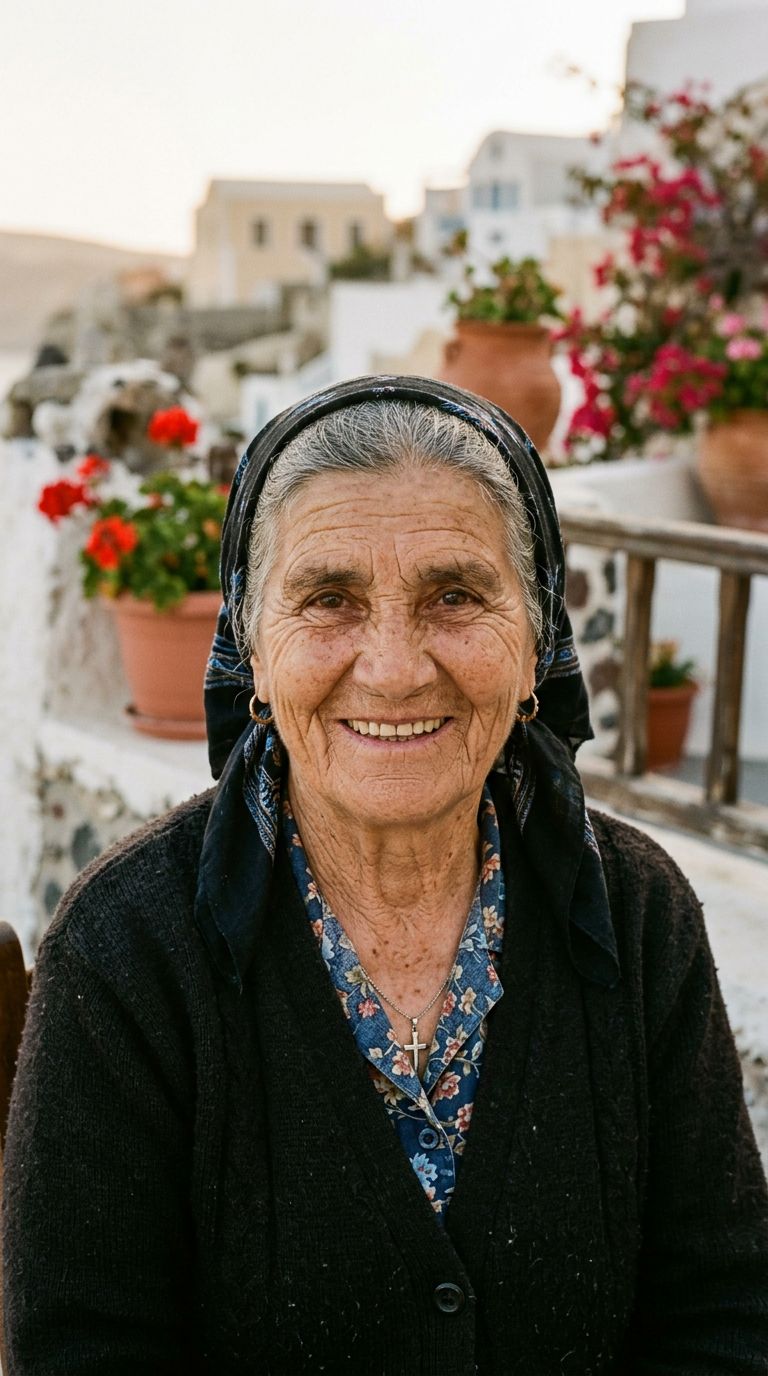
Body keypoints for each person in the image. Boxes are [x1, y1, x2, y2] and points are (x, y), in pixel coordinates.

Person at [3, 375, 768, 1374]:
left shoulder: (636, 914)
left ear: (537, 639)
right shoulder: (127, 949)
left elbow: (724, 1314)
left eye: (456, 594)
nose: (397, 667)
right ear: (254, 649)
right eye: (330, 599)